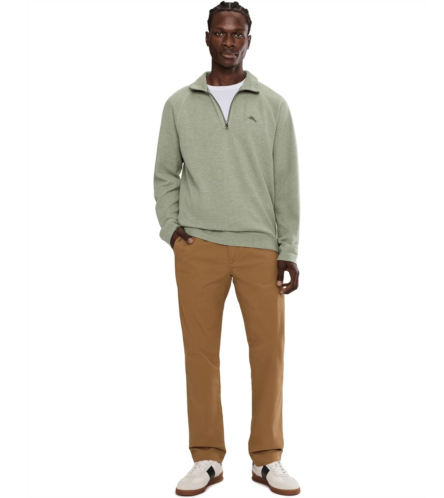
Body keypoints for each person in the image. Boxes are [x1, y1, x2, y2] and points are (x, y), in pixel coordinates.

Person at [153, 2, 301, 495]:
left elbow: (287, 183)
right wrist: (173, 231)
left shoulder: (273, 104)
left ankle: (267, 459)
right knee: (200, 354)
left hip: (260, 247)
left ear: (249, 40)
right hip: (199, 246)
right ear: (207, 38)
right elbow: (164, 175)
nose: (229, 42)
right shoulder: (178, 104)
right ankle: (207, 457)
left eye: (238, 34)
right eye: (221, 33)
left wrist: (288, 248)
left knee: (269, 354)